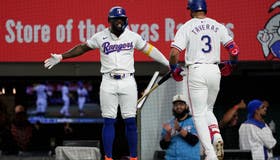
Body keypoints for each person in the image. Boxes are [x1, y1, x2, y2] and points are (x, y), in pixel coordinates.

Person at [44, 6, 169, 160]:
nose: (119, 22)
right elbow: (82, 48)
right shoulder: (100, 36)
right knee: (109, 120)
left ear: (126, 20)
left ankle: (134, 157)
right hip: (108, 81)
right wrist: (62, 57)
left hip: (128, 80)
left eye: (122, 19)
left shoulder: (133, 36)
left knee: (130, 120)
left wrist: (168, 63)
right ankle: (108, 157)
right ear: (110, 21)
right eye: (117, 19)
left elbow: (151, 50)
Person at [168, 0, 239, 159]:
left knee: (197, 114)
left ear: (191, 11)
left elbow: (173, 54)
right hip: (214, 70)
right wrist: (232, 63)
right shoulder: (217, 25)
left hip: (197, 70)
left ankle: (210, 153)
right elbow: (234, 49)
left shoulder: (187, 26)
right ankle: (216, 135)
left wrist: (174, 68)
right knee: (208, 109)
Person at [160, 94, 200, 160]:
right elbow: (163, 146)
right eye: (176, 105)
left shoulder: (194, 121)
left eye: (181, 104)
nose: (178, 107)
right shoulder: (169, 123)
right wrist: (168, 133)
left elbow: (194, 141)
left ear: (186, 106)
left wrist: (179, 129)